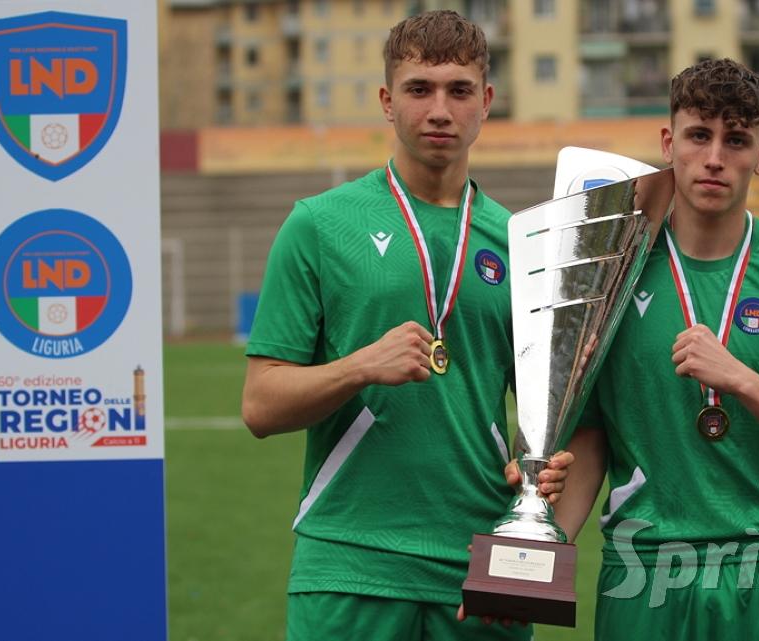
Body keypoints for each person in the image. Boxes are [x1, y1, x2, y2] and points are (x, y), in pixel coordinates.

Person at [240, 11, 569, 641]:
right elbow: (260, 406)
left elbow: (546, 416)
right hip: (349, 563)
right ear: (388, 102)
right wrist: (359, 366)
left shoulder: (524, 244)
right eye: (419, 89)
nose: (439, 110)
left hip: (480, 566)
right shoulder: (318, 225)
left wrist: (543, 464)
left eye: (459, 90)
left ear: (486, 102)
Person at [554, 59, 759, 640]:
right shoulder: (609, 273)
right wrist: (534, 555)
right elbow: (590, 438)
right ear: (668, 143)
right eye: (699, 135)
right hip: (643, 573)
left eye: (737, 140)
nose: (715, 157)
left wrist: (743, 380)